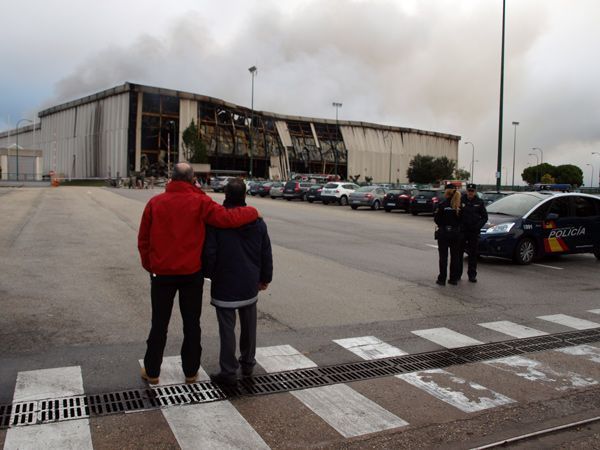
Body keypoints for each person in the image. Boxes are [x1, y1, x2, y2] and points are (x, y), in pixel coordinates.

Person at [137, 163, 260, 385]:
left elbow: (143, 240)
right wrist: (251, 211)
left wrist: (151, 266)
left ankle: (153, 371)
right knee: (192, 324)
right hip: (191, 274)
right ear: (193, 180)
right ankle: (191, 372)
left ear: (171, 179)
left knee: (159, 324)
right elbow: (227, 218)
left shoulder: (155, 203)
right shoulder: (200, 201)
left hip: (161, 274)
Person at [202, 178, 273, 386]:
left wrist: (209, 274)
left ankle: (229, 370)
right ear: (244, 195)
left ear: (225, 195)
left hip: (224, 282)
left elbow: (210, 252)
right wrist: (265, 278)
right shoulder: (258, 222)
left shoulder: (216, 222)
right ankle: (248, 364)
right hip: (249, 283)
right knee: (249, 327)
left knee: (227, 329)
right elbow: (265, 252)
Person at [458, 183, 488, 282]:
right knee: (459, 253)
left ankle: (472, 275)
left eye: (472, 191)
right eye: (469, 190)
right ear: (466, 191)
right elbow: (457, 214)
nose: (470, 192)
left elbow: (484, 217)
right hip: (462, 231)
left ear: (475, 192)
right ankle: (457, 274)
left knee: (473, 254)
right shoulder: (461, 200)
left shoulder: (479, 202)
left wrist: (477, 226)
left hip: (473, 232)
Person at [434, 184, 462, 285]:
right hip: (455, 233)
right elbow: (462, 220)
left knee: (443, 257)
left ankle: (442, 279)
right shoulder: (459, 205)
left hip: (444, 233)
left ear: (447, 192)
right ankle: (453, 279)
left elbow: (437, 219)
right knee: (455, 257)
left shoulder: (442, 204)